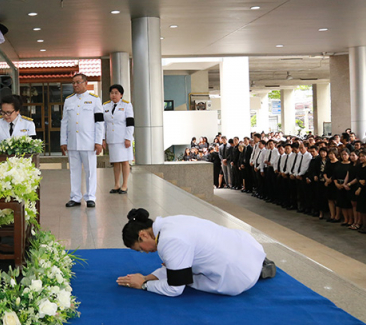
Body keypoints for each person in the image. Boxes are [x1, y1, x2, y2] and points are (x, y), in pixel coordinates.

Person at [116, 208, 275, 296]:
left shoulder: (169, 241)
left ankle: (259, 272)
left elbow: (175, 288)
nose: (145, 253)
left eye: (140, 249)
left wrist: (143, 285)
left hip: (238, 275)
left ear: (143, 235)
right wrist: (145, 277)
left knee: (190, 279)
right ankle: (258, 263)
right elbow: (173, 267)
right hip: (247, 247)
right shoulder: (168, 223)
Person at [60, 73, 104, 208]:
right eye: (73, 83)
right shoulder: (69, 100)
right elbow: (64, 122)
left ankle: (90, 197)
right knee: (74, 170)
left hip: (89, 141)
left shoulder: (95, 100)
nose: (75, 85)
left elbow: (100, 122)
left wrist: (99, 141)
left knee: (90, 170)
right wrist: (63, 141)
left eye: (78, 82)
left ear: (85, 83)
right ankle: (75, 197)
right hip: (73, 142)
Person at [102, 84, 134, 194]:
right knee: (115, 162)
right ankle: (116, 184)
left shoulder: (126, 105)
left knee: (125, 162)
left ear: (121, 95)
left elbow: (130, 123)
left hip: (123, 138)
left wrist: (128, 138)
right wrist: (102, 139)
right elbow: (103, 124)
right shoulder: (105, 106)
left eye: (116, 93)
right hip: (112, 138)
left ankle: (124, 185)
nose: (113, 95)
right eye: (112, 93)